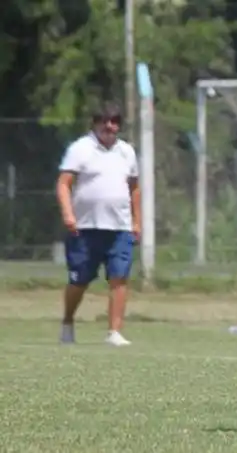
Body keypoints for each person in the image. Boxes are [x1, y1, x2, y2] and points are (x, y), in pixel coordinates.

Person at [56, 102, 140, 347]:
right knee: (79, 279)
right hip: (85, 227)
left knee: (119, 277)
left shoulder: (126, 152)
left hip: (120, 227)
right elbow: (63, 183)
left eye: (114, 121)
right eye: (104, 121)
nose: (109, 126)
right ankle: (68, 322)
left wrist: (137, 221)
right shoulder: (80, 149)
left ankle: (114, 332)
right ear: (95, 123)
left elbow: (134, 188)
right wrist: (68, 214)